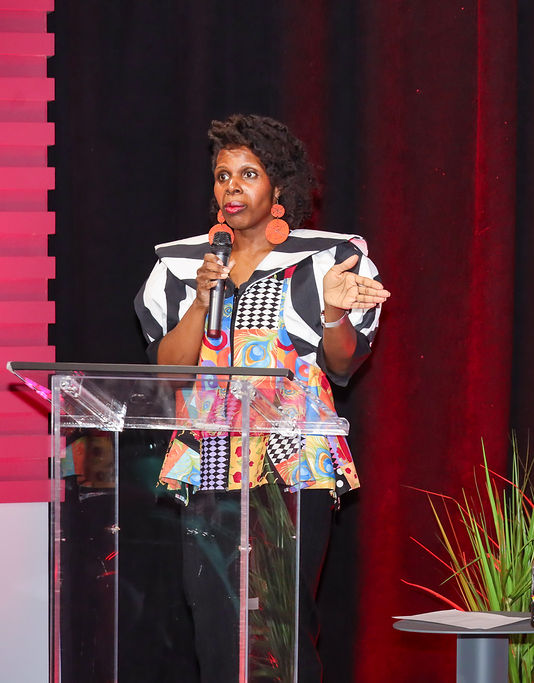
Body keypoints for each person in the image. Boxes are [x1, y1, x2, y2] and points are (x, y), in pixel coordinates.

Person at [134, 113, 389, 681]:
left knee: (281, 618)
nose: (232, 188)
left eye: (248, 174)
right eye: (223, 176)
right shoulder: (180, 266)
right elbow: (169, 368)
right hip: (210, 457)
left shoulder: (327, 260)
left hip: (291, 458)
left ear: (278, 187)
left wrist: (333, 313)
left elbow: (345, 361)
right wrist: (201, 301)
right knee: (215, 617)